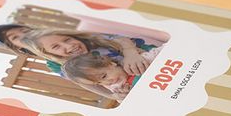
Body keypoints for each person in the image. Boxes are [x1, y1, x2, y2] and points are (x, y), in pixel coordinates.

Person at [20, 29, 154, 76]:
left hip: (149, 60)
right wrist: (116, 95)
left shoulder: (93, 41)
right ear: (50, 54)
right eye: (56, 47)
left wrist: (130, 53)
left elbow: (121, 40)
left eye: (67, 39)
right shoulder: (74, 69)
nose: (69, 45)